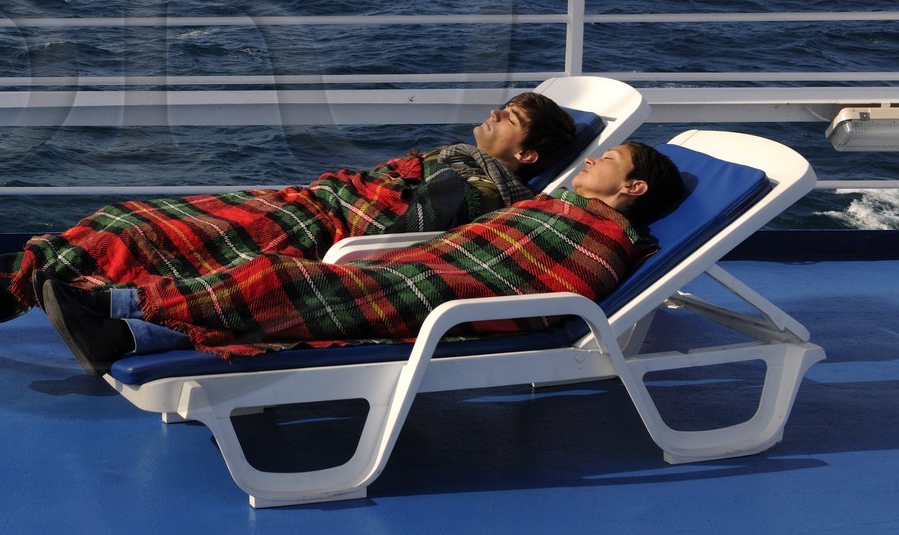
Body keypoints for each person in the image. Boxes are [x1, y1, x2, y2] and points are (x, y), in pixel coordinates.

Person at [0, 91, 580, 343]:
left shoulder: (486, 190)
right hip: (304, 204)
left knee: (140, 233)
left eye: (509, 116)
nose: (494, 114)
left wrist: (329, 228)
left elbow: (400, 231)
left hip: (316, 230)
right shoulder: (457, 156)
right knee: (129, 218)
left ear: (527, 151)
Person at [42, 141, 686, 375]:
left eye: (612, 161)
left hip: (460, 302)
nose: (595, 159)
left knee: (282, 280)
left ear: (633, 190)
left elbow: (552, 284)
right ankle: (128, 329)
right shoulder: (555, 208)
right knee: (290, 286)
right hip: (430, 271)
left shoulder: (607, 239)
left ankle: (121, 304)